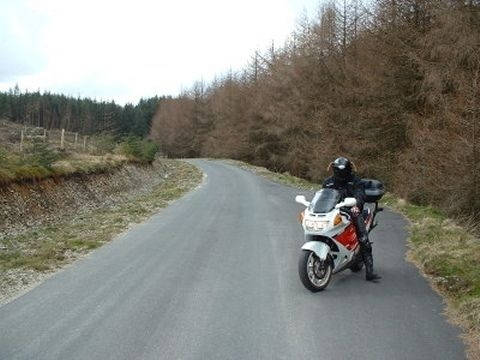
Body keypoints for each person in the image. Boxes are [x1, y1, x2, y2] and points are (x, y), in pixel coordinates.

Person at [323, 157, 381, 281]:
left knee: (363, 237)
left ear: (349, 169)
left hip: (351, 210)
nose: (340, 172)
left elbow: (360, 195)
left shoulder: (355, 181)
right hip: (332, 211)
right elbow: (323, 196)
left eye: (342, 170)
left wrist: (356, 206)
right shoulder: (328, 182)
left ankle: (370, 271)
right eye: (338, 170)